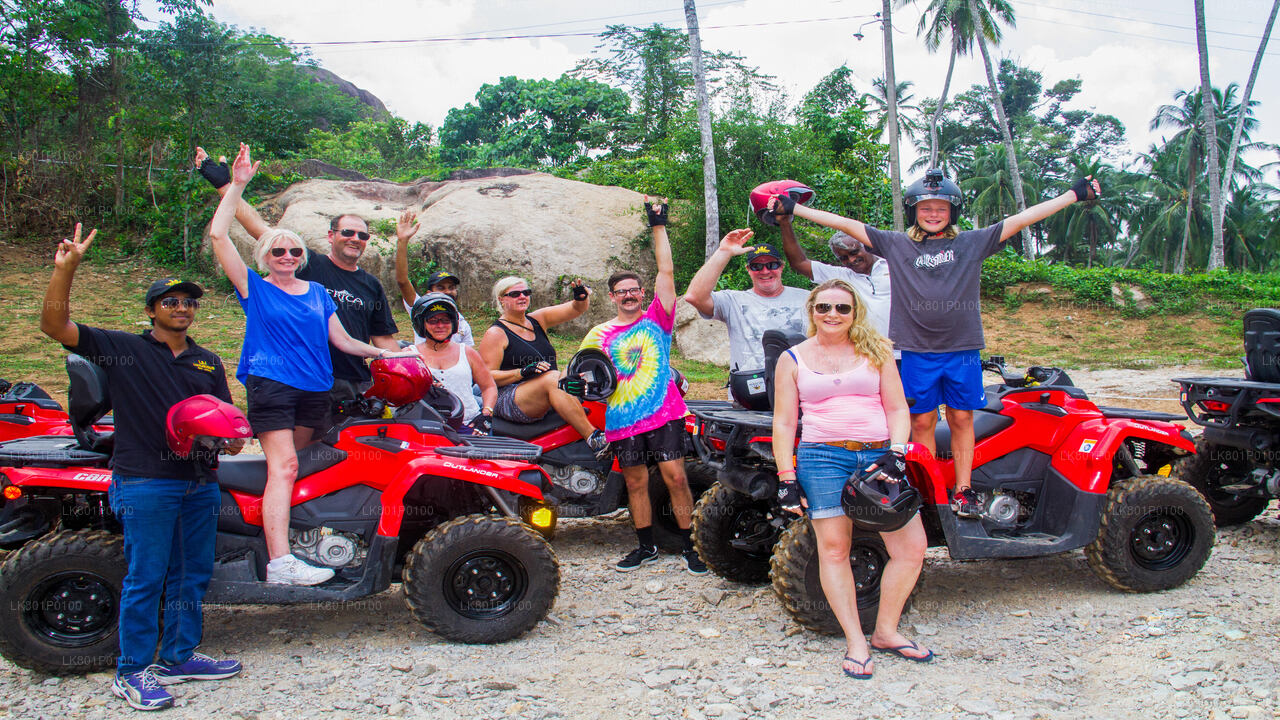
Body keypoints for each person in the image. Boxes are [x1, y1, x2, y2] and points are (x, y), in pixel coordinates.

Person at [773, 170, 1100, 517]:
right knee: (922, 422)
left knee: (961, 418)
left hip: (963, 350)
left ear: (952, 212)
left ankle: (963, 489)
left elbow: (1022, 219)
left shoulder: (971, 242)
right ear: (914, 211)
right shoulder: (897, 245)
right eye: (925, 208)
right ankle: (931, 493)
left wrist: (1074, 194)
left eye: (941, 208)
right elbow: (845, 224)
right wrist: (795, 209)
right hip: (915, 351)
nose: (933, 214)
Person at [41, 224, 243, 710]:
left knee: (191, 576)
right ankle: (131, 671)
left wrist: (231, 439)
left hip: (199, 482)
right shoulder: (122, 349)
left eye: (189, 302)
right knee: (146, 577)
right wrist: (66, 270)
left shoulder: (207, 361)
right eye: (170, 302)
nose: (182, 308)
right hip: (146, 481)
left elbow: (225, 418)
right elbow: (54, 326)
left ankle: (178, 656)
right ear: (152, 310)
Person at [209, 143, 413, 586]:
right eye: (277, 252)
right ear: (265, 257)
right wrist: (236, 185)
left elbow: (345, 341)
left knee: (302, 464)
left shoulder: (318, 293)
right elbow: (220, 237)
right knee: (284, 467)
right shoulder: (254, 288)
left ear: (302, 257)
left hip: (317, 390)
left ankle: (283, 535)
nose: (286, 257)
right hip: (273, 385)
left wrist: (393, 354)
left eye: (293, 252)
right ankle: (280, 563)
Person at [771, 279, 928, 680]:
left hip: (879, 456)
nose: (833, 314)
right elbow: (785, 421)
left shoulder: (877, 350)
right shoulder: (792, 358)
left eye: (842, 308)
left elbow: (897, 408)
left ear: (855, 312)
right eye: (824, 307)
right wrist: (786, 477)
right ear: (812, 311)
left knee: (912, 548)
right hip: (822, 458)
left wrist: (897, 453)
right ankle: (856, 641)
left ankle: (886, 631)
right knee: (834, 550)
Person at [193, 148, 400, 409]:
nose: (355, 239)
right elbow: (262, 232)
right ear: (331, 236)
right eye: (348, 232)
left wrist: (406, 362)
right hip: (301, 376)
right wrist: (227, 186)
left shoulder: (371, 285)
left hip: (353, 379)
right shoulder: (304, 262)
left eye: (363, 235)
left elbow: (381, 338)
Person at [579, 198, 706, 575]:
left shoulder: (657, 320)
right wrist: (578, 384)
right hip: (622, 419)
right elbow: (585, 374)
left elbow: (666, 270)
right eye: (622, 291)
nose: (629, 295)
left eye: (634, 289)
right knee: (635, 483)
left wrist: (658, 225)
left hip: (664, 414)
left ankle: (690, 547)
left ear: (642, 293)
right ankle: (645, 546)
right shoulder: (598, 334)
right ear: (612, 296)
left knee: (676, 478)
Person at [478, 275, 608, 454]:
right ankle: (593, 438)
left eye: (526, 292)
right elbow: (486, 377)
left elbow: (575, 309)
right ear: (501, 299)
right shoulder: (495, 334)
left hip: (544, 387)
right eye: (515, 294)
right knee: (553, 378)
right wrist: (521, 372)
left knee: (577, 367)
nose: (522, 297)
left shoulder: (537, 319)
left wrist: (581, 298)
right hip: (509, 396)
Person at [683, 231, 808, 373]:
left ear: (781, 267)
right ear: (748, 270)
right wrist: (724, 252)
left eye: (772, 265)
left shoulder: (808, 298)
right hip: (749, 384)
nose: (765, 271)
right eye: (757, 266)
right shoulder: (733, 301)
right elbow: (694, 296)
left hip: (798, 381)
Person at [778, 218, 894, 359]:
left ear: (867, 246)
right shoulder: (843, 276)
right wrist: (785, 223)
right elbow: (800, 263)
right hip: (864, 354)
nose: (851, 260)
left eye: (854, 252)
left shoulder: (894, 266)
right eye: (843, 258)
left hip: (903, 352)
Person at [409, 292, 495, 431]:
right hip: (426, 426)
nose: (440, 325)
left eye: (445, 320)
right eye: (432, 320)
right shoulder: (410, 355)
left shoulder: (467, 352)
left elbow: (488, 387)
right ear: (421, 323)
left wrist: (486, 414)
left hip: (468, 424)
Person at [394, 209, 475, 346]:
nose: (448, 291)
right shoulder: (420, 308)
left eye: (451, 287)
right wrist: (402, 241)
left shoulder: (462, 323)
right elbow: (402, 281)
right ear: (429, 293)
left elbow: (468, 353)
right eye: (441, 288)